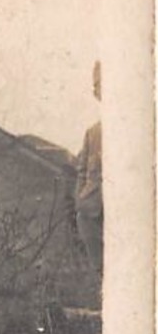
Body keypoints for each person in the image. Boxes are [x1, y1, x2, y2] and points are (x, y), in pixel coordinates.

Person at [75, 61, 103, 275]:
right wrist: (80, 200)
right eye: (98, 87)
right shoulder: (93, 133)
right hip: (92, 210)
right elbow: (82, 172)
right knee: (101, 271)